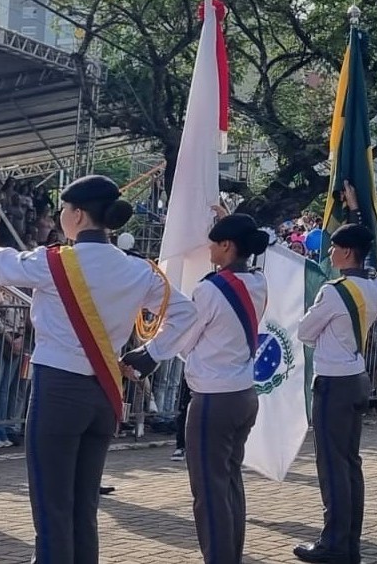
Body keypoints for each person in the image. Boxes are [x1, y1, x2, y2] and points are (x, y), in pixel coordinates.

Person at [0, 175, 197, 564]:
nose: (61, 216)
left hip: (58, 390)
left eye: (65, 209)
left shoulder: (54, 262)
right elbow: (186, 312)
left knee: (52, 505)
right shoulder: (139, 270)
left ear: (79, 215)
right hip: (104, 394)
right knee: (83, 507)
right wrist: (151, 355)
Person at [123, 212, 270, 564]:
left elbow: (185, 335)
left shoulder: (209, 289)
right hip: (244, 394)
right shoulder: (260, 282)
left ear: (227, 245)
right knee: (230, 481)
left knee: (209, 490)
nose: (208, 249)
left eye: (213, 243)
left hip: (212, 398)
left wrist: (148, 356)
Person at [292, 223, 377, 564]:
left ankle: (333, 543)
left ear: (346, 251)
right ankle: (349, 542)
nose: (329, 253)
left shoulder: (335, 291)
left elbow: (305, 331)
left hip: (334, 382)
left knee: (332, 466)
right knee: (349, 465)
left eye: (333, 248)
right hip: (356, 375)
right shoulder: (375, 283)